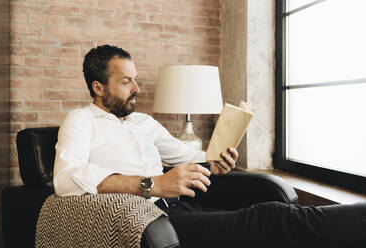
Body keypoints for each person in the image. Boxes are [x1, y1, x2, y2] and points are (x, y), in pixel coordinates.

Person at [54, 44, 366, 248]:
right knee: (272, 218)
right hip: (149, 220)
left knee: (275, 215)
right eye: (126, 82)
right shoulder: (81, 121)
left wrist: (215, 161)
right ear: (97, 87)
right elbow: (66, 179)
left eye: (136, 79)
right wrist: (153, 184)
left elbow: (190, 156)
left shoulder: (144, 123)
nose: (137, 88)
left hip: (186, 205)